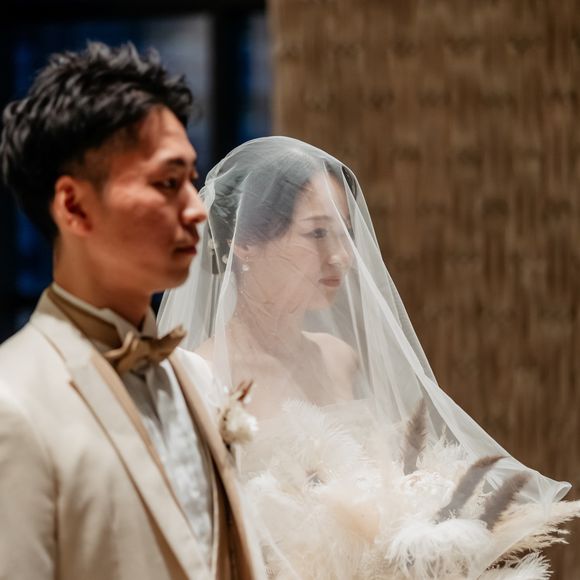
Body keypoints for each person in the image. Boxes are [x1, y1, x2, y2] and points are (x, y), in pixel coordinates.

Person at [159, 136, 580, 579]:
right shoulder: (200, 376)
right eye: (318, 233)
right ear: (245, 242)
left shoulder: (339, 358)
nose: (341, 256)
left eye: (345, 232)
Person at [0, 42, 264, 580]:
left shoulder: (197, 376)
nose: (196, 209)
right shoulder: (14, 402)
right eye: (167, 183)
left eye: (191, 180)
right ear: (74, 205)